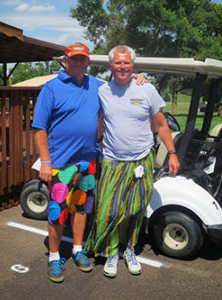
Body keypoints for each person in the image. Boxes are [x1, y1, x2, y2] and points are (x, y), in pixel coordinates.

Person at [32, 43, 147, 283]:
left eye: (82, 59)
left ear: (88, 62)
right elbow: (39, 128)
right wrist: (45, 162)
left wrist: (138, 78)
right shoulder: (51, 89)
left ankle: (77, 249)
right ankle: (54, 256)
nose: (78, 63)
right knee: (57, 213)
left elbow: (121, 86)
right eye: (74, 59)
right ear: (66, 60)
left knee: (82, 208)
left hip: (88, 163)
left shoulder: (97, 86)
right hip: (61, 164)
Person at [85, 45, 180, 278]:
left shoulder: (145, 88)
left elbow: (160, 124)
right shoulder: (102, 90)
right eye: (118, 63)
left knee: (135, 209)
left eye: (126, 63)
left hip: (141, 160)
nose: (122, 67)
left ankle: (128, 250)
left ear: (133, 65)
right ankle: (110, 253)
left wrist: (172, 152)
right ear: (111, 66)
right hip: (112, 162)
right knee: (109, 209)